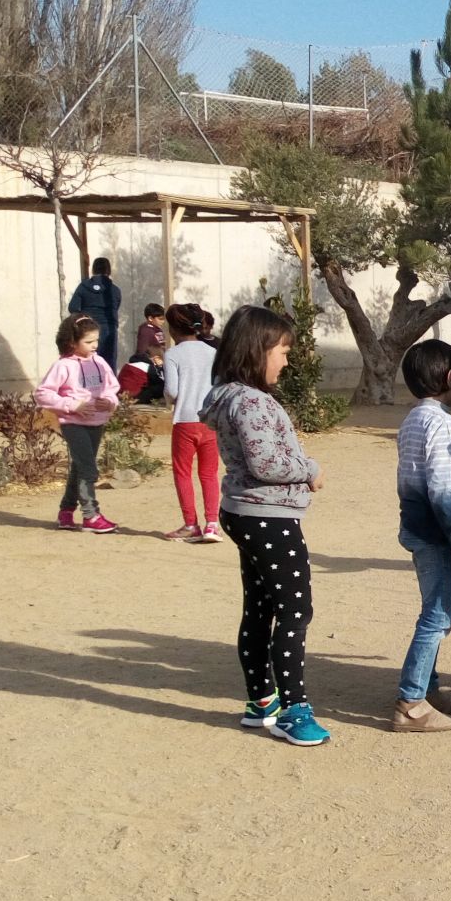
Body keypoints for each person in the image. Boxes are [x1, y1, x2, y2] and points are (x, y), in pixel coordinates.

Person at [201, 305, 330, 746]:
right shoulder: (252, 401)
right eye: (282, 352)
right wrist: (309, 469)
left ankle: (261, 701)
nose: (286, 361)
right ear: (258, 350)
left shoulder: (228, 396)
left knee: (259, 608)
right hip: (267, 516)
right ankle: (294, 709)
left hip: (246, 511)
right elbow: (266, 462)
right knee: (295, 609)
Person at [387, 341, 451, 732]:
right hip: (435, 533)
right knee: (438, 615)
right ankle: (411, 702)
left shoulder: (411, 419)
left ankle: (428, 688)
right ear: (450, 378)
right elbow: (442, 489)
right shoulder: (443, 422)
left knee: (434, 609)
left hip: (415, 526)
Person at [34, 314, 121, 534]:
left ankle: (66, 512)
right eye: (88, 341)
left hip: (97, 422)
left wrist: (109, 401)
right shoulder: (62, 366)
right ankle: (91, 515)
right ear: (72, 342)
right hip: (73, 423)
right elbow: (42, 394)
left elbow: (112, 388)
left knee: (79, 467)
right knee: (88, 469)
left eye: (96, 340)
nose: (95, 345)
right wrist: (72, 405)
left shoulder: (100, 362)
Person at [160, 304, 221, 542]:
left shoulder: (172, 354)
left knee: (182, 472)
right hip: (209, 420)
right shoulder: (212, 352)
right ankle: (212, 524)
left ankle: (190, 524)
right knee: (209, 473)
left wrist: (170, 399)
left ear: (174, 329)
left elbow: (172, 391)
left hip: (184, 420)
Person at [68, 258, 122, 372]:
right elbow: (116, 307)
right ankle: (108, 383)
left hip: (88, 328)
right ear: (109, 271)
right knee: (108, 363)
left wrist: (84, 318)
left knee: (87, 361)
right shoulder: (115, 290)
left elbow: (73, 307)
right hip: (109, 329)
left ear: (93, 270)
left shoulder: (83, 287)